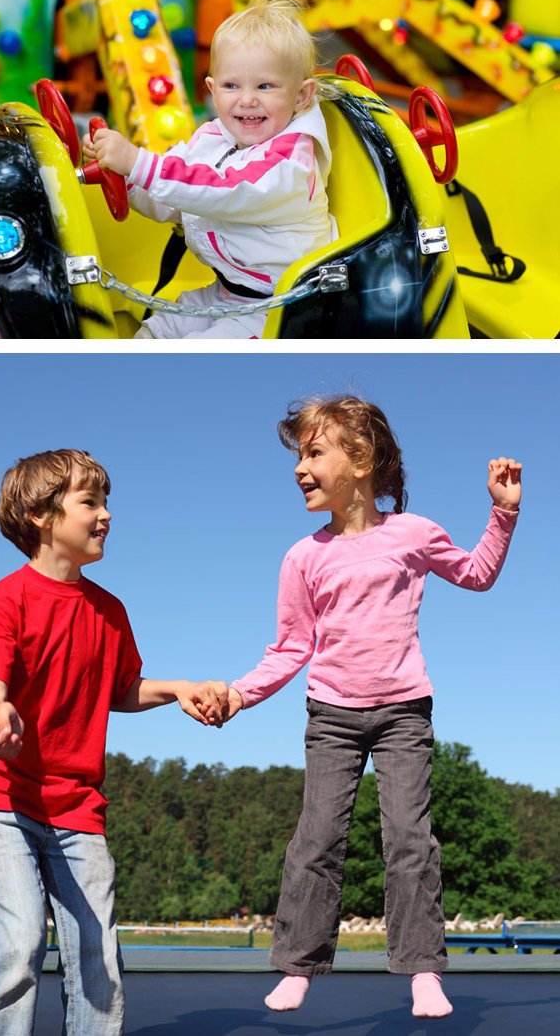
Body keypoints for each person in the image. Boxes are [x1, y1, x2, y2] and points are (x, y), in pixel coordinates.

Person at [219, 395, 522, 1019]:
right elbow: (291, 646)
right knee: (317, 839)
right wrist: (240, 694)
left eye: (313, 452)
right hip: (331, 715)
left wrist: (502, 513)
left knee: (410, 840)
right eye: (298, 456)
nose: (300, 468)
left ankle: (423, 972)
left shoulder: (412, 534)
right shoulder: (303, 557)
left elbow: (475, 574)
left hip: (403, 712)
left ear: (360, 460)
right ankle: (298, 965)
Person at [0, 448, 228, 1036]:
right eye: (90, 502)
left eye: (106, 502)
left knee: (98, 961)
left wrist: (178, 689)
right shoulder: (5, 599)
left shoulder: (110, 611)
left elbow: (121, 689)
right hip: (1, 795)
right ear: (40, 515)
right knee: (17, 946)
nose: (105, 514)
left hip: (77, 805)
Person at [83, 0, 337, 339]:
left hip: (282, 308)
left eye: (265, 86)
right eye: (232, 86)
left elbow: (223, 189)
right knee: (159, 329)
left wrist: (138, 163)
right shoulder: (214, 138)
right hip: (230, 290)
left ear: (301, 96)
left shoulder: (290, 164)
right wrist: (126, 179)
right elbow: (178, 199)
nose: (246, 99)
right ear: (212, 91)